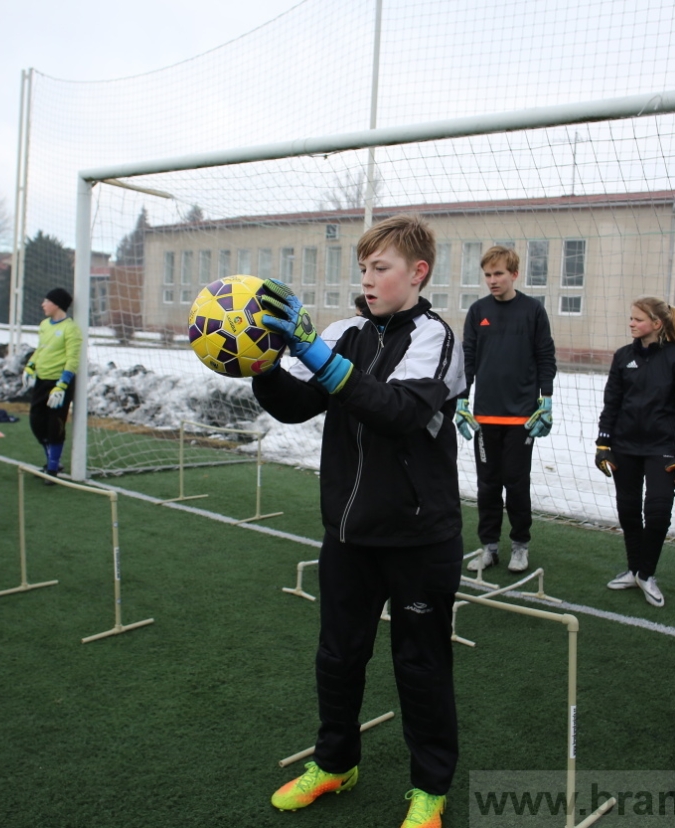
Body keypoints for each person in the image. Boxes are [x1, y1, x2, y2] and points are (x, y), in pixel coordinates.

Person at [254, 214, 464, 828]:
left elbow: (394, 410)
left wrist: (315, 353)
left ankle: (430, 788)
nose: (368, 280)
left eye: (382, 268)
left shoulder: (436, 338)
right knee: (338, 657)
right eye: (364, 269)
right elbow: (296, 407)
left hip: (419, 538)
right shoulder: (346, 331)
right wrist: (263, 364)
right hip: (347, 534)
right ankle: (335, 763)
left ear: (417, 272)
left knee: (420, 665)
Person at [596, 297, 675, 608]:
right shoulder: (622, 357)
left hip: (663, 449)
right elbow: (612, 402)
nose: (631, 323)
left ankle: (647, 573)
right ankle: (634, 570)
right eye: (631, 318)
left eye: (638, 319)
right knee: (628, 511)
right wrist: (603, 443)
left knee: (657, 514)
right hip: (624, 447)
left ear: (657, 324)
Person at [456, 245, 557, 575]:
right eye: (487, 274)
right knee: (487, 486)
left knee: (516, 483)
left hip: (522, 418)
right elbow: (468, 358)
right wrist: (461, 398)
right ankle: (488, 547)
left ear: (514, 274)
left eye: (498, 273)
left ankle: (520, 546)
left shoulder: (533, 311)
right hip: (485, 416)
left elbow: (545, 356)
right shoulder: (477, 311)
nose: (492, 280)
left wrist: (547, 399)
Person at [22, 288, 81, 482]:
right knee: (36, 421)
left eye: (46, 301)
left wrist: (62, 385)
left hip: (59, 384)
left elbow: (72, 359)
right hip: (42, 380)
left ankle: (53, 468)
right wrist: (30, 366)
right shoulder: (44, 325)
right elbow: (41, 349)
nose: (43, 305)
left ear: (56, 304)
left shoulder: (70, 328)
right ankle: (51, 461)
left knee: (55, 425)